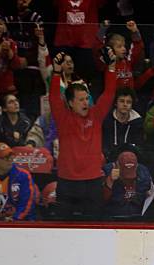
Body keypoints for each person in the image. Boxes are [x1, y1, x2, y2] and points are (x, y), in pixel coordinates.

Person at [49, 50, 117, 219]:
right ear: (70, 103)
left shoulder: (96, 114)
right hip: (67, 182)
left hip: (93, 182)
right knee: (63, 228)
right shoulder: (63, 117)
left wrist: (111, 68)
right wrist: (57, 72)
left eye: (87, 98)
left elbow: (109, 93)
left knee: (94, 228)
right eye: (81, 100)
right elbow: (54, 98)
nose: (86, 102)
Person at [102, 147, 154, 217]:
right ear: (118, 166)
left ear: (136, 167)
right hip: (113, 219)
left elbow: (151, 196)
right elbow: (99, 202)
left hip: (138, 218)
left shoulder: (143, 173)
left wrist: (152, 194)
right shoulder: (107, 172)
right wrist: (110, 182)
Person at [102, 87, 144, 160]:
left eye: (128, 102)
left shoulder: (137, 122)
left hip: (130, 160)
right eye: (122, 101)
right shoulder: (107, 120)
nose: (125, 104)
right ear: (115, 103)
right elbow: (104, 145)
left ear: (132, 105)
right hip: (109, 159)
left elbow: (139, 147)